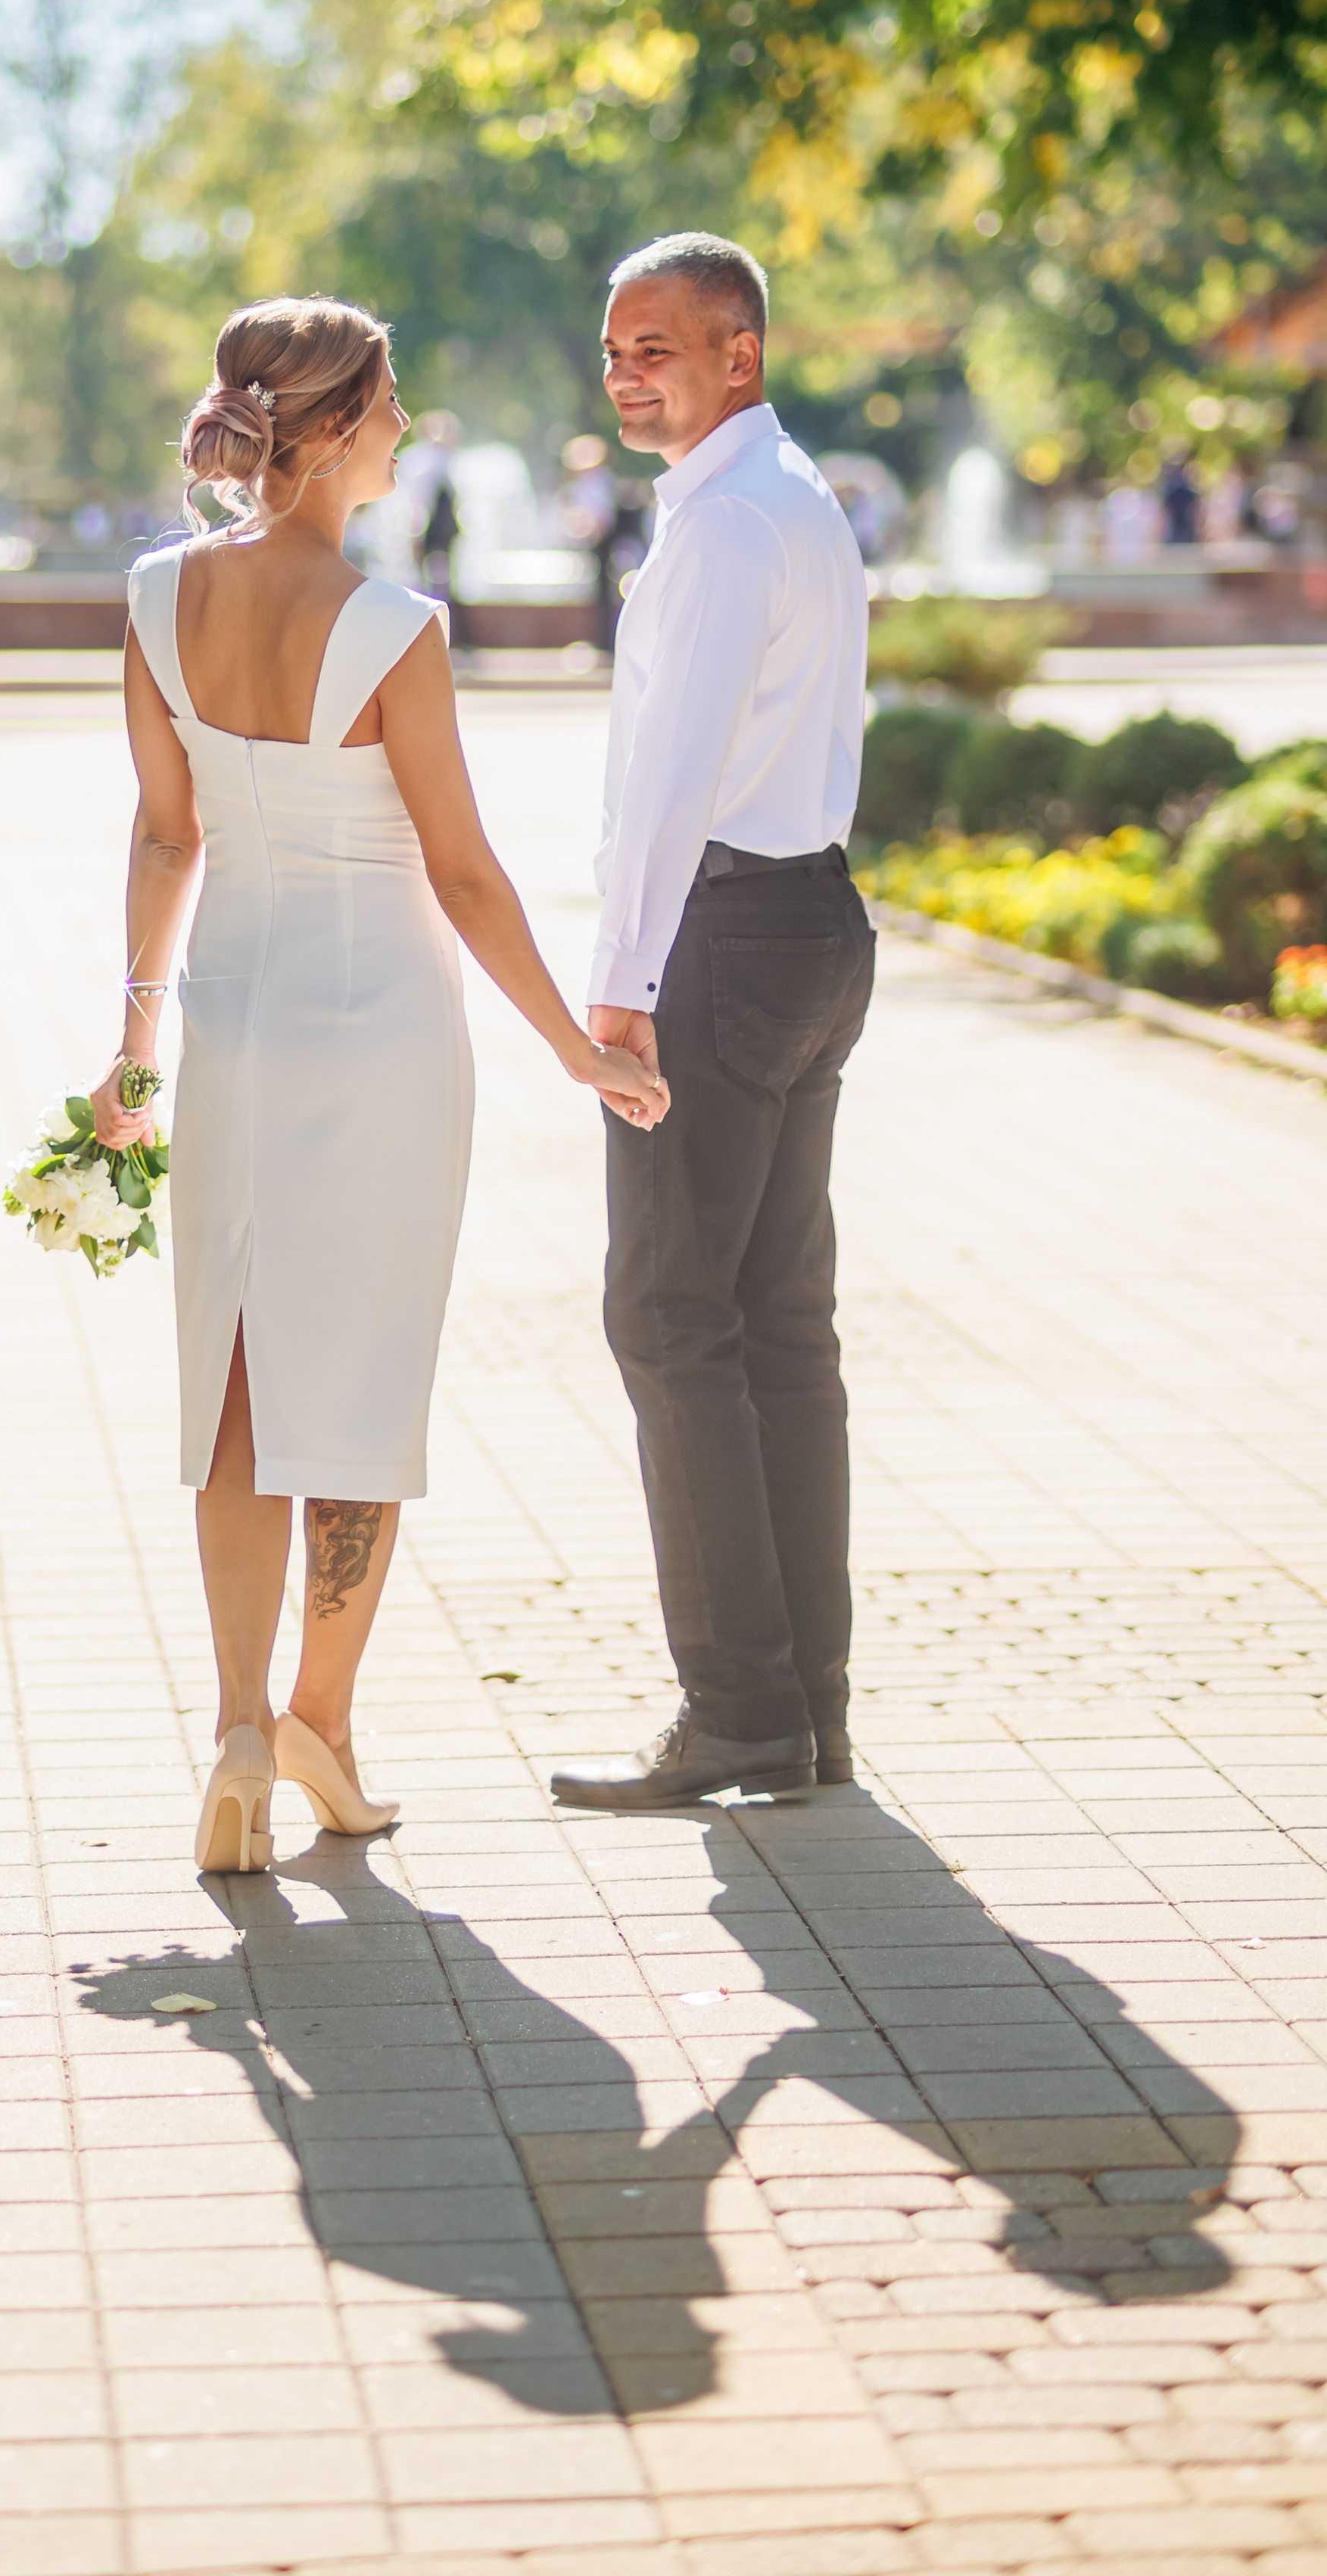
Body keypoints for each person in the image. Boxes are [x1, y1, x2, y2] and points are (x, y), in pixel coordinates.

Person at [92, 297, 667, 1873]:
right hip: (384, 1031)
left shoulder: (153, 600)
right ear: (333, 425)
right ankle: (317, 1722)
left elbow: (164, 836)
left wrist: (133, 1039)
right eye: (391, 399)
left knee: (228, 1376)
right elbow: (467, 876)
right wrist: (575, 1046)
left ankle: (229, 1723)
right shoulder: (393, 630)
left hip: (234, 1010)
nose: (407, 424)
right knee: (355, 1378)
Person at [550, 233, 874, 1815]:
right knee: (772, 1328)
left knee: (671, 1322)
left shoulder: (724, 527)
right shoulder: (789, 499)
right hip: (810, 920)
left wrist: (614, 985)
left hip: (723, 944)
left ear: (737, 352)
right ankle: (802, 1704)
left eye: (657, 345)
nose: (626, 370)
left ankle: (739, 1714)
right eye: (614, 347)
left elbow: (670, 771)